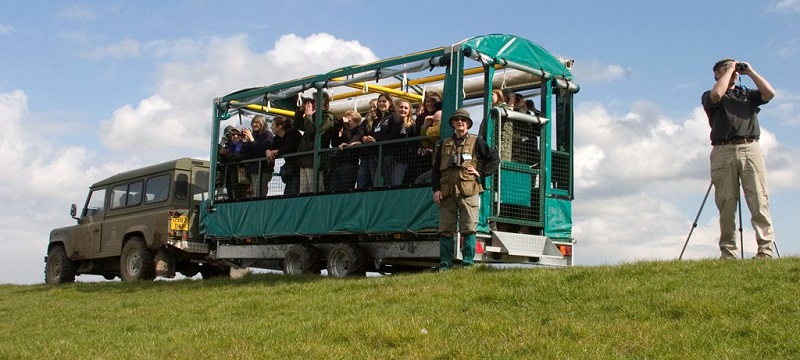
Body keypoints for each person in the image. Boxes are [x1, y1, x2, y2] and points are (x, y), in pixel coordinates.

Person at [701, 58, 776, 259]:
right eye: (727, 68)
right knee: (726, 202)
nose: (734, 71)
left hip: (750, 147)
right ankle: (728, 252)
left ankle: (765, 250)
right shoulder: (710, 96)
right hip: (723, 150)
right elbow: (717, 94)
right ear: (717, 73)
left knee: (758, 198)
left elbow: (770, 93)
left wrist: (750, 72)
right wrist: (730, 70)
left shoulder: (747, 95)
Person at [432, 108, 500, 270]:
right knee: (445, 229)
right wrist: (436, 189)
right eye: (457, 120)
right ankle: (445, 264)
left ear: (468, 124)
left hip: (469, 191)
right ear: (453, 123)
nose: (460, 122)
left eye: (463, 120)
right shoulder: (444, 143)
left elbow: (494, 158)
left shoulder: (477, 142)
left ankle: (468, 263)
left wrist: (481, 173)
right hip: (447, 192)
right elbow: (436, 169)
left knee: (469, 228)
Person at [293, 92, 336, 193]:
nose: (313, 102)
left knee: (315, 188)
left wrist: (308, 116)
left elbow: (313, 132)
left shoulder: (328, 116)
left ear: (324, 100)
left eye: (315, 100)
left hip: (316, 159)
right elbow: (297, 125)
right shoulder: (314, 116)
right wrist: (300, 111)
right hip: (305, 157)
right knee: (304, 190)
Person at [371, 93, 404, 186]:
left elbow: (395, 135)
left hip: (388, 156)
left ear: (390, 103)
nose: (381, 103)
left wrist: (377, 141)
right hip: (376, 156)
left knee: (380, 184)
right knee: (374, 184)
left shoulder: (395, 117)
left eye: (384, 101)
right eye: (380, 101)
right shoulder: (377, 120)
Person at [329, 110, 365, 191]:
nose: (346, 122)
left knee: (346, 190)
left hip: (350, 165)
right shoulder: (345, 130)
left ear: (356, 122)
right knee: (333, 190)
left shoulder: (359, 130)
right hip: (338, 164)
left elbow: (349, 140)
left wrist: (345, 125)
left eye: (349, 120)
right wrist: (337, 127)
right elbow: (334, 143)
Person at [267, 116, 302, 195]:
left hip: (298, 167)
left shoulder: (293, 133)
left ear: (279, 126)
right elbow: (272, 148)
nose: (271, 127)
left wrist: (274, 152)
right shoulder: (277, 137)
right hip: (290, 168)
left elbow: (290, 148)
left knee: (294, 191)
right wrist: (268, 151)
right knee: (287, 193)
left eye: (272, 125)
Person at [242, 115, 275, 196]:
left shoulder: (268, 134)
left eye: (257, 122)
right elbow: (247, 153)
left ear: (262, 124)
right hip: (254, 170)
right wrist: (245, 141)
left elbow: (262, 150)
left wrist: (252, 139)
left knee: (259, 192)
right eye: (253, 122)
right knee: (255, 193)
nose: (254, 124)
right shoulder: (254, 136)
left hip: (264, 169)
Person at [218, 126, 250, 200]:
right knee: (231, 197)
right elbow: (221, 158)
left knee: (240, 198)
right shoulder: (230, 146)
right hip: (230, 177)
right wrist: (223, 141)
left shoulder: (244, 145)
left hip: (241, 179)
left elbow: (240, 157)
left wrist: (227, 154)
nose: (235, 136)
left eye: (238, 134)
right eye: (233, 134)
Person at [391, 99, 418, 185]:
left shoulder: (412, 125)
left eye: (405, 108)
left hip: (405, 160)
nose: (403, 109)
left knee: (397, 183)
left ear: (409, 110)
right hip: (392, 158)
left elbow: (415, 142)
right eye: (401, 107)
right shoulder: (393, 122)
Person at [357, 98, 379, 189]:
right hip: (365, 157)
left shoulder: (383, 121)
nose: (372, 109)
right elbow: (359, 133)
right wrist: (363, 139)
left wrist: (374, 139)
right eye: (370, 107)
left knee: (375, 182)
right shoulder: (365, 122)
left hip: (377, 156)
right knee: (362, 182)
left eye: (374, 107)